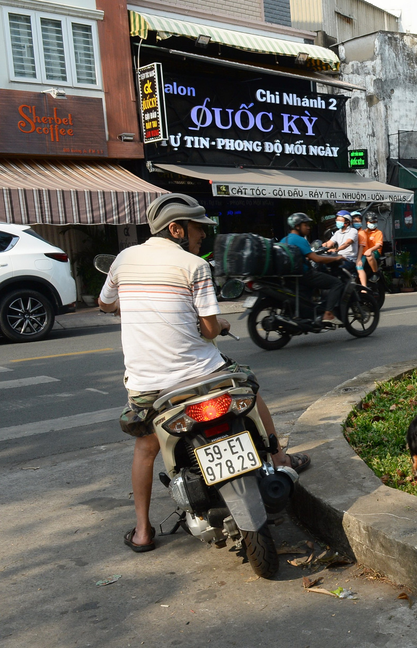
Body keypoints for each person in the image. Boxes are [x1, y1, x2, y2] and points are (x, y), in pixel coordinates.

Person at [98, 194, 310, 553]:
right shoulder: (194, 265)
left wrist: (129, 306)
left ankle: (142, 531)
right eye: (198, 230)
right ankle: (279, 459)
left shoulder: (123, 260)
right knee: (251, 394)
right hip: (204, 375)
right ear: (177, 229)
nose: (201, 237)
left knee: (146, 447)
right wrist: (221, 321)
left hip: (151, 388)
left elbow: (105, 304)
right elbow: (210, 330)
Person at [280, 213, 344, 322]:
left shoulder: (284, 240)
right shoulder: (300, 240)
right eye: (305, 225)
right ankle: (328, 314)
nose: (308, 227)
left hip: (291, 277)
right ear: (297, 226)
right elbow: (317, 259)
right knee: (337, 283)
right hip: (305, 275)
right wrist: (336, 258)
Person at [357, 212, 384, 287]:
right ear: (366, 222)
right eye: (371, 222)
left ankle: (375, 273)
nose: (373, 223)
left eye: (375, 222)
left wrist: (370, 250)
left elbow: (379, 245)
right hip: (362, 253)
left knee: (369, 255)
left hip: (375, 252)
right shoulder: (363, 232)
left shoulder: (378, 232)